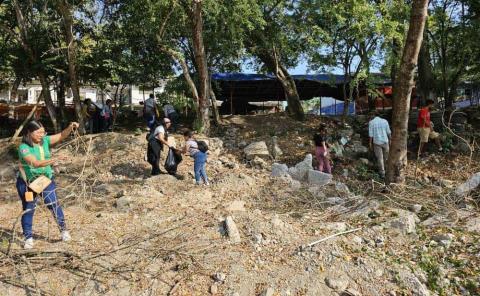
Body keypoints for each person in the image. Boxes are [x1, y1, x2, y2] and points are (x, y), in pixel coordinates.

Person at [16, 120, 79, 249]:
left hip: (45, 180)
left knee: (54, 204)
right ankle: (28, 238)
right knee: (28, 209)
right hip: (28, 183)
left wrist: (70, 127)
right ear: (29, 132)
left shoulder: (44, 140)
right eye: (38, 132)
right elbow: (35, 163)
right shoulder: (23, 147)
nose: (41, 135)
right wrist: (55, 159)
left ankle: (63, 230)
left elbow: (61, 135)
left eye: (43, 132)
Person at [368, 111, 391, 177]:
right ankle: (388, 171)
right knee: (386, 157)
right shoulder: (385, 121)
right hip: (385, 141)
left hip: (377, 143)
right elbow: (388, 132)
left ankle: (382, 173)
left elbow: (371, 135)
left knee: (380, 158)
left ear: (373, 115)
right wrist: (390, 140)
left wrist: (370, 143)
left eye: (371, 115)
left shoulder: (371, 122)